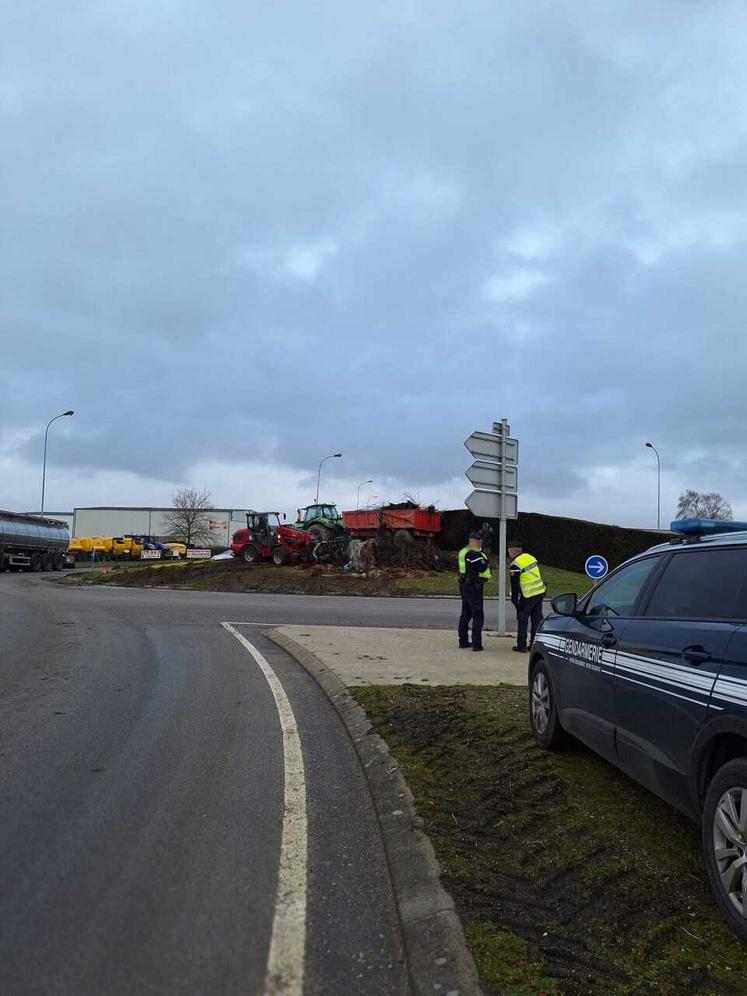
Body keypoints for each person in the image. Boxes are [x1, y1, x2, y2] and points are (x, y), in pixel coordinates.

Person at [508, 541, 546, 653]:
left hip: (527, 595)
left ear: (511, 551)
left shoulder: (515, 564)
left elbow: (514, 586)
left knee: (522, 619)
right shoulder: (531, 558)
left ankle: (521, 646)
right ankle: (534, 645)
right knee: (537, 620)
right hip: (539, 593)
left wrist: (515, 601)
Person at [457, 530, 492, 651]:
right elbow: (482, 567)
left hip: (463, 584)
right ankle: (477, 644)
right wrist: (484, 559)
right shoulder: (474, 554)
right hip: (473, 586)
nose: (480, 542)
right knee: (478, 614)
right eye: (479, 540)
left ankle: (463, 641)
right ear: (473, 541)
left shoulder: (463, 551)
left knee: (465, 614)